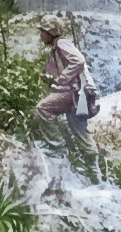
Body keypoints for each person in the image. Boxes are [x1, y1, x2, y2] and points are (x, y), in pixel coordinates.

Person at [34, 15, 100, 181]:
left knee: (42, 108)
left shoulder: (61, 44)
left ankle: (58, 149)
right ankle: (94, 173)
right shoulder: (60, 47)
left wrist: (62, 79)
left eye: (43, 31)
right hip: (82, 96)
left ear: (51, 32)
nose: (41, 35)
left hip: (74, 93)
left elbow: (78, 61)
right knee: (81, 132)